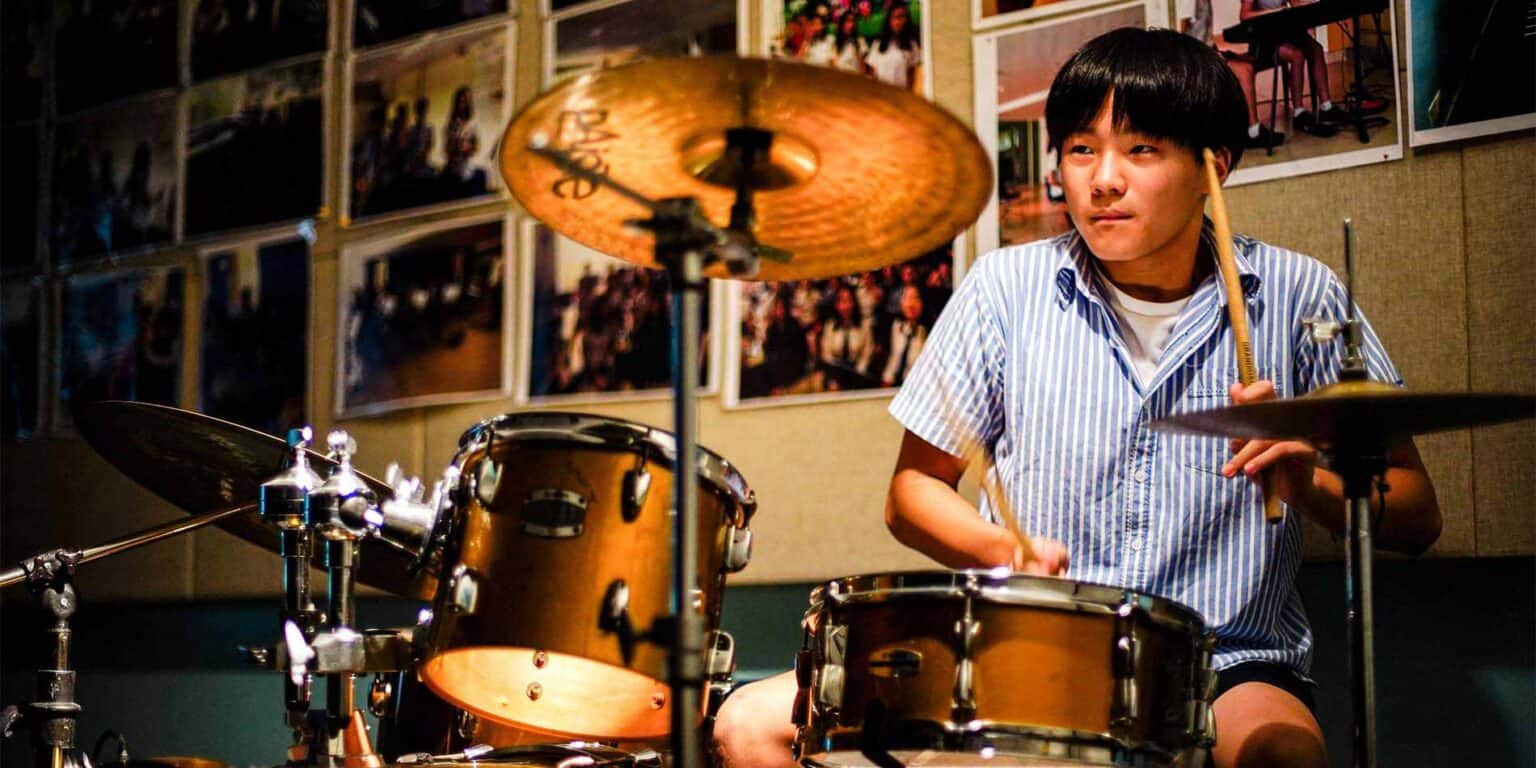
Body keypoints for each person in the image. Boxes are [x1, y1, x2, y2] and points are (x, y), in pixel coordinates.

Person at [712, 27, 1440, 768]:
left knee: (1282, 757)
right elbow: (911, 492)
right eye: (1082, 149)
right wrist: (1004, 550)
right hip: (1030, 636)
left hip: (1222, 658)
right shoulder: (1006, 290)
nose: (1103, 179)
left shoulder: (1298, 296)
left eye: (1142, 149)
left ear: (1213, 166)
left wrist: (1306, 481)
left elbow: (1417, 515)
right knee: (747, 726)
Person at [864, 2, 920, 90]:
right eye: (896, 17)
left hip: (901, 94)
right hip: (882, 93)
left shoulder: (911, 45)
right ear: (889, 20)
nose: (899, 21)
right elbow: (872, 72)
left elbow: (911, 75)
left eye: (903, 17)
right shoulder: (879, 44)